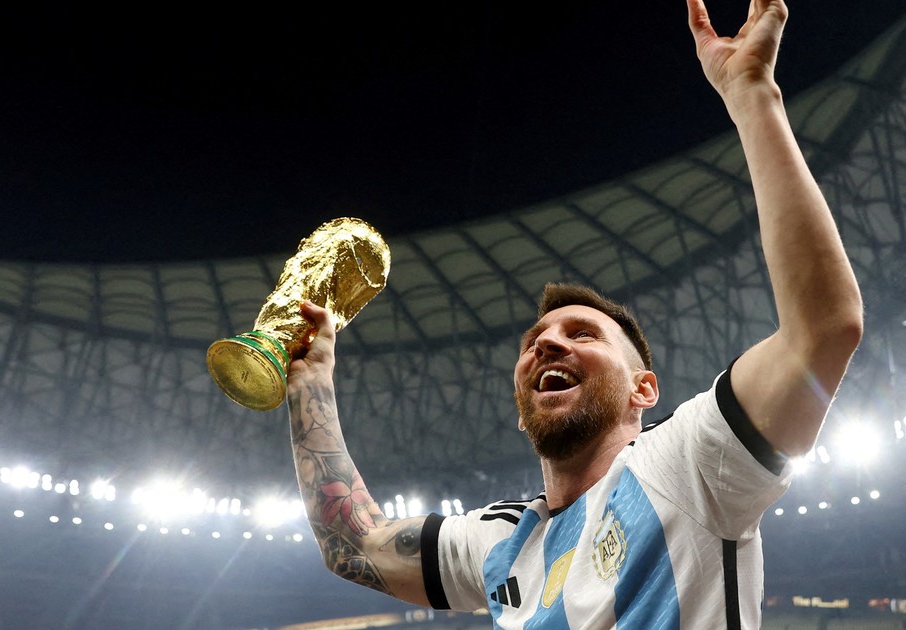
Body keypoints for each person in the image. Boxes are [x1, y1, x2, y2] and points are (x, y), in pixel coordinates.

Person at [285, 0, 863, 627]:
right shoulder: (503, 542)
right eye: (533, 341)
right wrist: (310, 381)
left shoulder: (688, 462)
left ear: (644, 390)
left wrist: (752, 94)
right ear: (521, 404)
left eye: (583, 334)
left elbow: (822, 330)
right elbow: (352, 546)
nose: (547, 344)